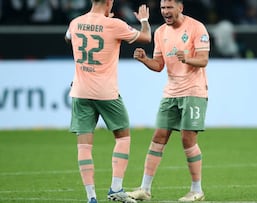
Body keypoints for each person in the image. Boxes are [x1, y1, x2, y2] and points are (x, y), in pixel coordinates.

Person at [64, 0, 151, 202]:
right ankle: (115, 189)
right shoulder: (116, 25)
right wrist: (144, 21)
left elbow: (69, 39)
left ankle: (91, 197)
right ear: (109, 2)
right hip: (106, 92)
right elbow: (146, 37)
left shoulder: (75, 22)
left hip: (80, 90)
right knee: (122, 138)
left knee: (84, 146)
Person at [126, 0, 210, 201]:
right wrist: (145, 60)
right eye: (163, 8)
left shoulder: (197, 27)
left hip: (193, 91)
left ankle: (197, 190)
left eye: (169, 7)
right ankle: (144, 189)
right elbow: (159, 65)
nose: (165, 11)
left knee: (187, 139)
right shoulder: (160, 32)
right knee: (158, 136)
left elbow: (204, 59)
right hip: (171, 92)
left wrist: (187, 58)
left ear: (180, 8)